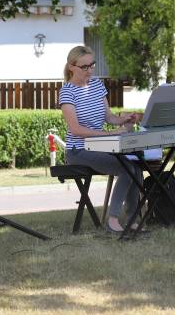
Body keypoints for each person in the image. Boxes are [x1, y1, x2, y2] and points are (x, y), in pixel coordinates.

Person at [59, 46, 141, 233]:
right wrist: (110, 134)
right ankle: (113, 220)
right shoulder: (67, 92)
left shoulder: (96, 85)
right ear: (71, 67)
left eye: (92, 65)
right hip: (78, 151)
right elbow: (76, 130)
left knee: (136, 168)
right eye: (84, 67)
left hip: (100, 145)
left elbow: (109, 117)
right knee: (127, 167)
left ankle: (132, 220)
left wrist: (125, 119)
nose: (90, 70)